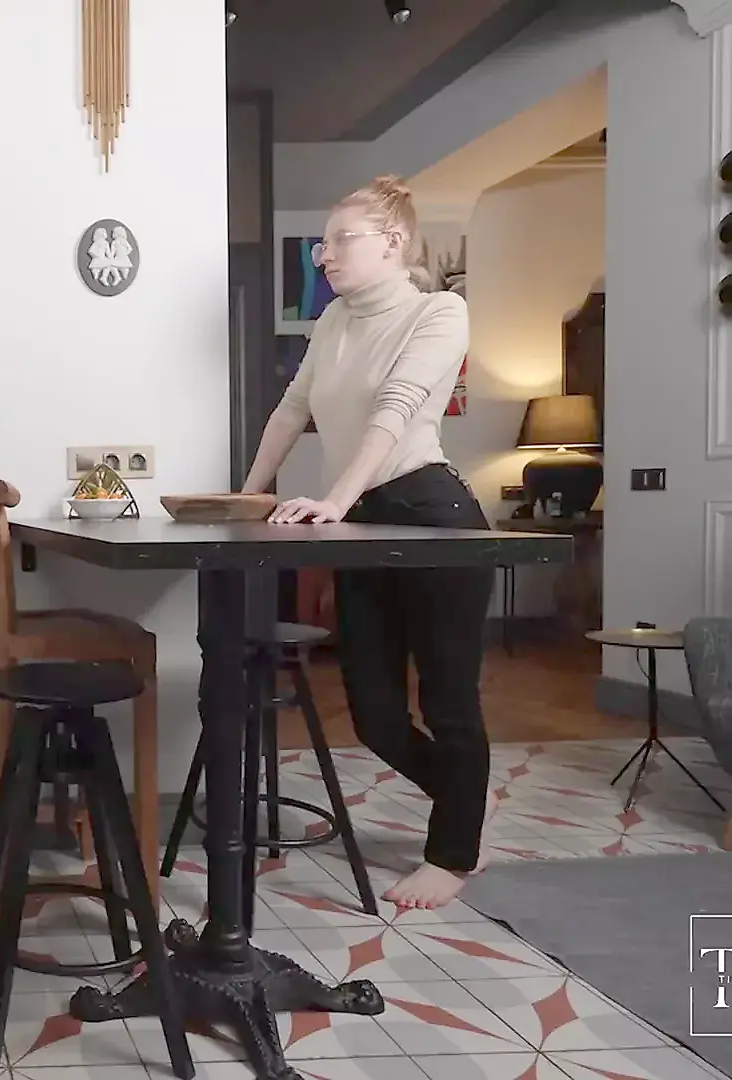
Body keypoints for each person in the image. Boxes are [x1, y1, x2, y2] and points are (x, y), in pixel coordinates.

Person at [238, 175, 493, 910]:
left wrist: (334, 501)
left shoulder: (439, 311)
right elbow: (291, 410)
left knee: (448, 697)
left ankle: (453, 852)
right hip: (361, 519)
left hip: (431, 514)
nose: (324, 255)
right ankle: (464, 802)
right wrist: (250, 494)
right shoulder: (333, 321)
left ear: (393, 243)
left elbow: (396, 408)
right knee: (374, 715)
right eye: (323, 244)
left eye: (339, 240)